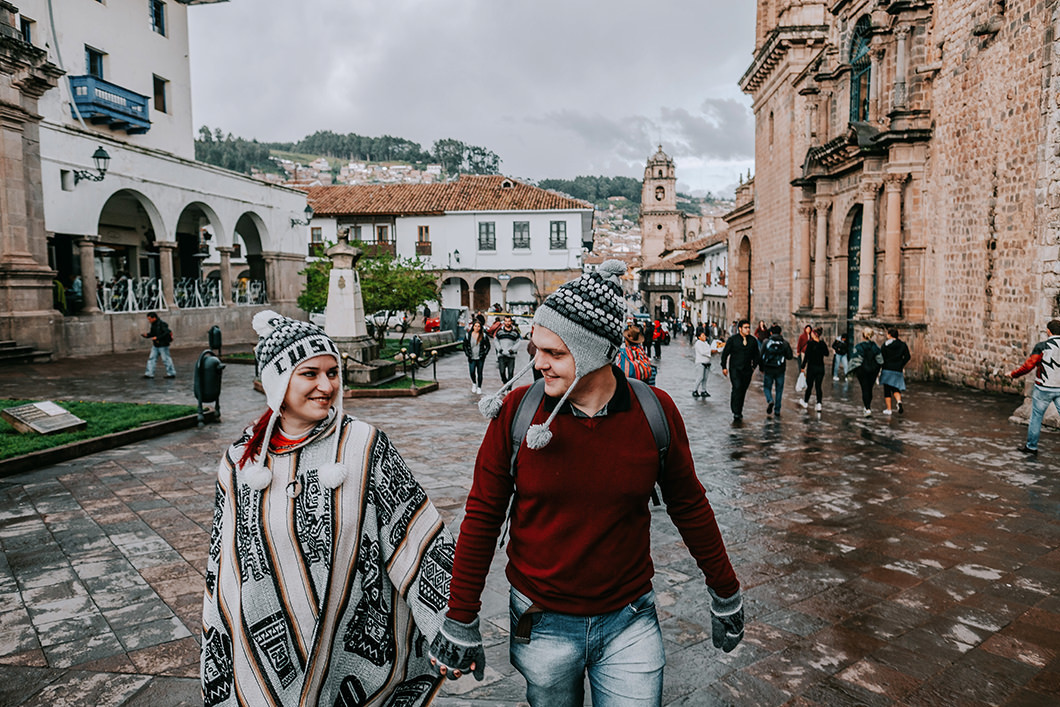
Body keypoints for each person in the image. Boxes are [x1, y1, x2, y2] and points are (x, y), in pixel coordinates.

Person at [429, 260, 743, 707]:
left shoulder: (654, 412)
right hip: (541, 618)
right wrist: (461, 617)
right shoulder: (517, 414)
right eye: (537, 349)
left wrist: (725, 590)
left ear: (595, 352)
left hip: (630, 617)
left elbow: (689, 504)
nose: (537, 364)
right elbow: (482, 514)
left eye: (554, 354)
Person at [200, 311, 455, 706]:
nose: (326, 385)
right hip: (268, 632)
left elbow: (417, 539)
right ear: (277, 383)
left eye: (333, 372)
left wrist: (450, 626)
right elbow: (224, 567)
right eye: (310, 374)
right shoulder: (240, 463)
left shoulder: (364, 447)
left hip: (350, 645)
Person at [1008, 319, 1060, 455]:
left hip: (1044, 388)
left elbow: (1028, 366)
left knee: (1036, 417)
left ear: (1049, 331)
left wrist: (1013, 374)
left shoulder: (1042, 346)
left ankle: (1031, 447)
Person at [721, 319, 760, 421]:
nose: (748, 330)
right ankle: (735, 411)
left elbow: (756, 355)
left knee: (742, 390)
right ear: (740, 328)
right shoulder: (733, 340)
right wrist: (724, 367)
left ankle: (739, 410)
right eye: (745, 328)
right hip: (735, 369)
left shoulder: (752, 340)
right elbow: (725, 354)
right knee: (737, 387)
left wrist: (753, 366)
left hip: (747, 370)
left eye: (748, 328)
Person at [759, 325, 793, 417]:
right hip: (780, 369)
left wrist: (761, 369)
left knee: (767, 387)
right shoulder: (784, 343)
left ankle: (770, 400)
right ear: (780, 332)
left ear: (771, 333)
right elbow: (790, 356)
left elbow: (761, 356)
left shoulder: (766, 342)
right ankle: (777, 410)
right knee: (779, 390)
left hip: (768, 369)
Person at [849, 328, 883, 416]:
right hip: (873, 371)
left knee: (864, 388)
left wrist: (851, 371)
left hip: (862, 371)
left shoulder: (859, 346)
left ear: (863, 335)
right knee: (870, 388)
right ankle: (868, 406)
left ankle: (867, 408)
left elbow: (855, 360)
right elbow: (880, 360)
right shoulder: (875, 346)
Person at [880, 328, 912, 415]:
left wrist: (881, 366)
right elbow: (908, 356)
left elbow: (881, 357)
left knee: (887, 389)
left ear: (890, 335)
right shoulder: (902, 345)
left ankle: (889, 409)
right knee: (895, 387)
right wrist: (901, 364)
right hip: (897, 369)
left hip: (887, 368)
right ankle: (899, 401)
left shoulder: (885, 345)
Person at [799, 327, 830, 412]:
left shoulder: (810, 344)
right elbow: (827, 353)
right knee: (818, 386)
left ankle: (805, 402)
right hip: (820, 368)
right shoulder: (822, 344)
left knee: (810, 386)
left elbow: (806, 356)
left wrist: (802, 366)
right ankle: (819, 404)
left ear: (814, 334)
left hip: (812, 368)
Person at [141, 312, 176, 379]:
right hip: (156, 345)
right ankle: (149, 374)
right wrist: (147, 335)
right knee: (152, 359)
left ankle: (171, 373)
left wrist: (157, 337)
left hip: (163, 345)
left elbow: (166, 332)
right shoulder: (154, 325)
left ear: (154, 318)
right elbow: (152, 333)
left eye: (150, 319)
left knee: (166, 359)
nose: (149, 321)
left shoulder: (162, 324)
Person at [463, 319, 490, 394]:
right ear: (473, 326)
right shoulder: (468, 335)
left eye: (479, 326)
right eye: (475, 326)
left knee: (480, 372)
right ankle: (474, 383)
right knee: (472, 371)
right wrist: (467, 353)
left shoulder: (483, 335)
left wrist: (484, 353)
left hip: (480, 357)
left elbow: (488, 346)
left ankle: (479, 387)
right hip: (472, 357)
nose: (477, 328)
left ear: (481, 327)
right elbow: (464, 345)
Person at [494, 315, 522, 384]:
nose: (507, 323)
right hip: (501, 354)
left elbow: (518, 342)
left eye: (509, 321)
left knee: (510, 373)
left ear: (511, 322)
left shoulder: (515, 332)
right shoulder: (500, 331)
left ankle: (509, 389)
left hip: (511, 355)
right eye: (506, 321)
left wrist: (512, 350)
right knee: (502, 372)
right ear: (504, 322)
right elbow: (496, 340)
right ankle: (505, 382)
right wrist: (499, 349)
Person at [692, 330, 713, 398]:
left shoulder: (706, 343)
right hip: (700, 362)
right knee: (700, 377)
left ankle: (703, 390)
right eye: (703, 336)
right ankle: (695, 390)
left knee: (705, 378)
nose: (704, 337)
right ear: (699, 337)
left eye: (705, 335)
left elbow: (709, 349)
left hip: (707, 363)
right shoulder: (698, 343)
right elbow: (703, 352)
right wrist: (711, 351)